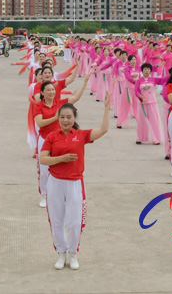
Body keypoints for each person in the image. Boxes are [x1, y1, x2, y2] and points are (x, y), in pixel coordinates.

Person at [40, 94, 110, 270]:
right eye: (62, 117)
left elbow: (103, 130)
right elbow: (43, 159)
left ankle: (73, 253)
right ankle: (61, 253)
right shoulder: (52, 137)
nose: (65, 120)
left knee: (74, 221)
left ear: (74, 118)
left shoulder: (81, 135)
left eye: (69, 117)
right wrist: (61, 158)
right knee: (56, 220)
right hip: (55, 182)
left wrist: (107, 108)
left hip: (74, 183)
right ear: (58, 117)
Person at [33, 75, 90, 208]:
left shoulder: (60, 103)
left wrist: (85, 82)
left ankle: (60, 194)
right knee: (44, 169)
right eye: (48, 90)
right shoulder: (39, 106)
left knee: (61, 166)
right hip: (44, 138)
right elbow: (40, 123)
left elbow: (76, 98)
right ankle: (44, 195)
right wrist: (55, 117)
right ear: (42, 92)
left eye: (53, 90)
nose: (52, 92)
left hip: (59, 139)